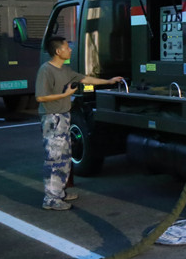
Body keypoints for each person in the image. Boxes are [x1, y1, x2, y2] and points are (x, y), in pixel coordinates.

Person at [35, 36, 123, 211]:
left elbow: (85, 79)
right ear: (58, 51)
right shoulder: (46, 70)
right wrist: (65, 95)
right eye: (67, 47)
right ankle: (51, 199)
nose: (70, 49)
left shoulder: (65, 70)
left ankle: (59, 193)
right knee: (54, 158)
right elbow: (41, 97)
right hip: (52, 118)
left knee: (64, 157)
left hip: (63, 117)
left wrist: (109, 81)